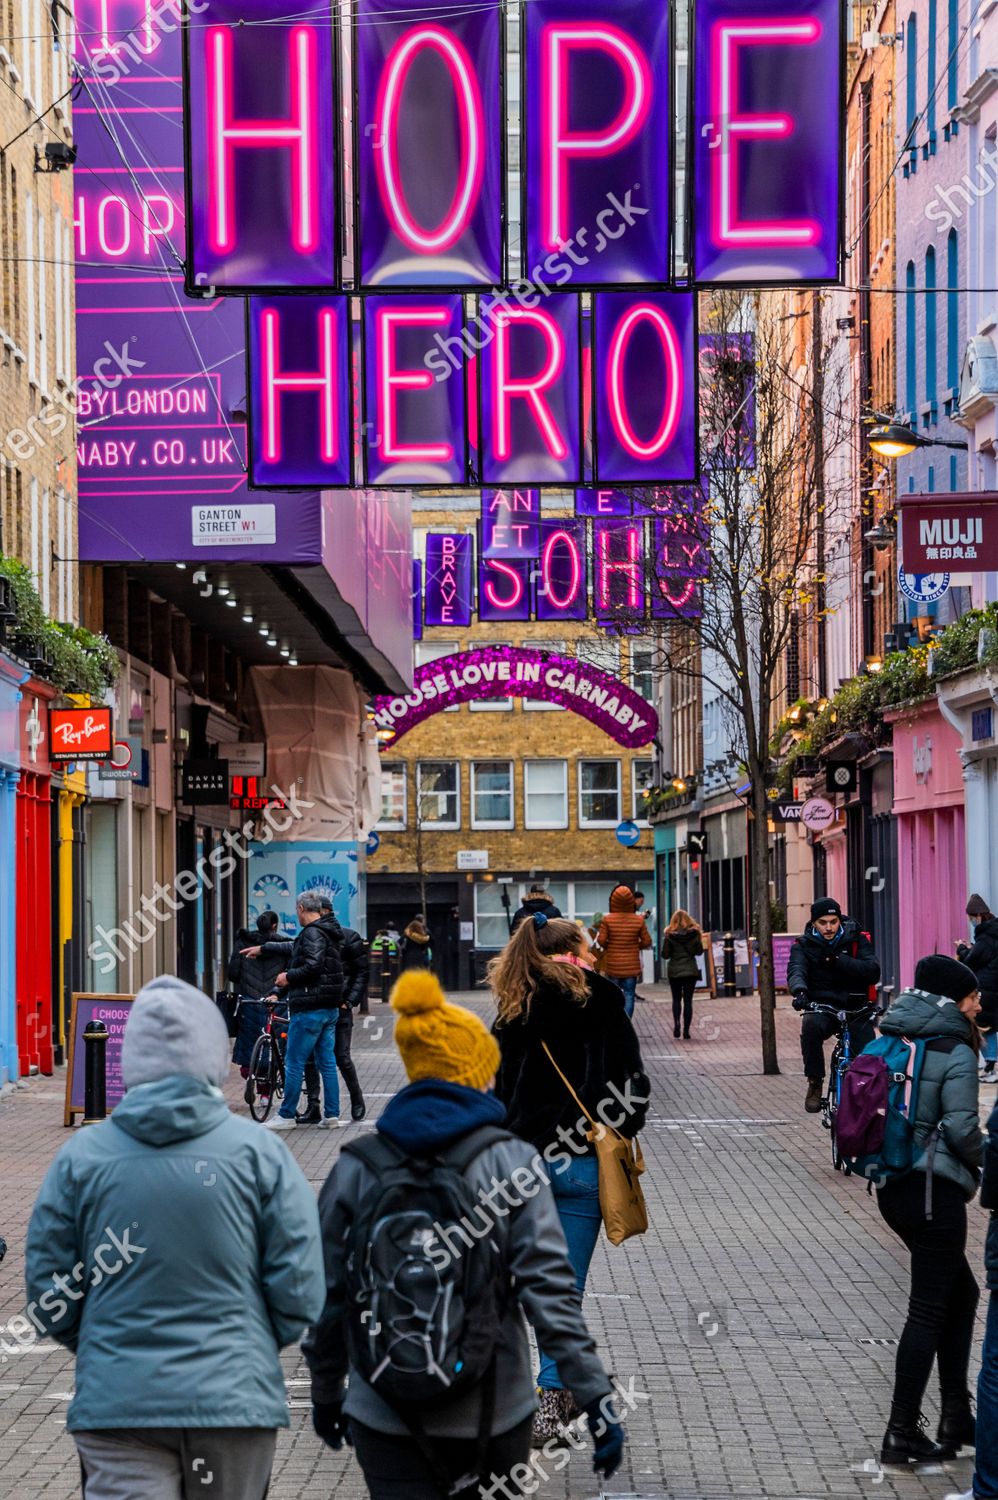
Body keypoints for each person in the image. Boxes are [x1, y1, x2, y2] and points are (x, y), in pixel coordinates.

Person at [303, 969, 625, 1498]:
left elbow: (328, 1292)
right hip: (494, 1408)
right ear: (478, 1071)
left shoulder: (359, 1165)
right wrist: (594, 1397)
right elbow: (549, 1292)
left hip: (383, 1407)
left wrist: (325, 1391)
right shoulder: (511, 1162)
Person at [25, 976, 325, 1500]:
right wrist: (251, 1343)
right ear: (212, 1053)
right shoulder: (259, 1155)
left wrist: (100, 1342)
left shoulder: (83, 1156)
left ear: (130, 1057)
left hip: (119, 1406)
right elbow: (299, 1287)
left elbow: (50, 1293)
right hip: (232, 1403)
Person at [489, 914, 649, 1440]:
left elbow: (501, 1094)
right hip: (581, 1164)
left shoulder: (516, 1004)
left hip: (524, 1164)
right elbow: (632, 1082)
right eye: (588, 939)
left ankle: (538, 1391)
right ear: (575, 948)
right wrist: (612, 1123)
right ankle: (554, 1398)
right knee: (565, 1288)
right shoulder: (602, 998)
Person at [874, 955, 984, 1466]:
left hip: (895, 1188)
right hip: (933, 1195)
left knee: (960, 1295)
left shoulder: (897, 1033)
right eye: (972, 996)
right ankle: (901, 1430)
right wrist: (993, 1160)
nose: (979, 1004)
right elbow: (962, 1130)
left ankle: (956, 1416)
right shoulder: (955, 1049)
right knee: (928, 1309)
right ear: (953, 1001)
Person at [787, 897, 881, 1113]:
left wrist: (839, 960)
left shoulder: (856, 939)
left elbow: (873, 971)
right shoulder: (803, 945)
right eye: (822, 922)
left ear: (840, 920)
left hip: (855, 1006)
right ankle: (815, 1081)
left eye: (833, 921)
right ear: (813, 923)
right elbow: (796, 970)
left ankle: (866, 1095)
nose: (828, 928)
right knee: (810, 1027)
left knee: (868, 1054)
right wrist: (799, 992)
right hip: (823, 1006)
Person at [264, 891, 344, 1131]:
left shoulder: (311, 933)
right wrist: (266, 947)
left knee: (294, 1061)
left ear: (300, 908)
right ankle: (332, 1114)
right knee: (327, 1062)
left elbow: (312, 965)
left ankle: (286, 1114)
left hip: (309, 1006)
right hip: (328, 1008)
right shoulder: (326, 931)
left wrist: (287, 976)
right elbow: (298, 948)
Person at [300, 898, 368, 1124]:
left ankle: (357, 1098)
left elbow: (361, 972)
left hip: (339, 1006)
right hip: (315, 1003)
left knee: (341, 1057)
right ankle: (313, 1106)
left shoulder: (348, 937)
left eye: (320, 911)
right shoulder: (311, 936)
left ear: (327, 911)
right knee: (310, 1058)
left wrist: (349, 1001)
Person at [229, 909, 286, 1084]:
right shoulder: (283, 945)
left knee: (249, 1044)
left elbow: (233, 973)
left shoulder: (242, 942)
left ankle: (250, 1076)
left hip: (249, 1001)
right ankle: (266, 1091)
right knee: (274, 1044)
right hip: (275, 1002)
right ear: (274, 925)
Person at [957, 893, 998, 1083]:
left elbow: (972, 960)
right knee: (988, 1025)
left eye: (971, 918)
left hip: (987, 988)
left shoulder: (986, 936)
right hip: (993, 985)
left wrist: (962, 950)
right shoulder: (992, 933)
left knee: (983, 1025)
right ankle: (990, 1063)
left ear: (978, 916)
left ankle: (990, 1065)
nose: (971, 921)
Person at [595, 885, 651, 1017]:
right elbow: (647, 941)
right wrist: (636, 946)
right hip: (631, 966)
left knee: (613, 996)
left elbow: (601, 940)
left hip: (613, 965)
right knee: (629, 995)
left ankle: (616, 1025)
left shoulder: (607, 919)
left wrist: (611, 946)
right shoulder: (638, 920)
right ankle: (627, 1026)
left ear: (613, 901)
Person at [661, 909, 704, 1039]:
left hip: (674, 972)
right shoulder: (695, 934)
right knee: (688, 1001)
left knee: (676, 999)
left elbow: (665, 954)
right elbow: (699, 951)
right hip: (690, 971)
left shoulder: (669, 935)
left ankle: (677, 1023)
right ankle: (686, 1030)